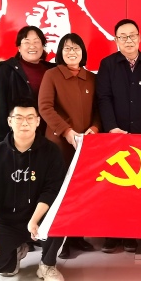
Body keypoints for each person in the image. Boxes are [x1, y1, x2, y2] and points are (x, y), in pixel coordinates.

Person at [0, 98, 66, 281]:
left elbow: (51, 191)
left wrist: (34, 220)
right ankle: (15, 253)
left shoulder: (51, 151)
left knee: (61, 214)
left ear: (38, 121)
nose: (25, 122)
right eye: (19, 118)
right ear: (10, 121)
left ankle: (47, 265)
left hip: (39, 219)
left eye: (30, 117)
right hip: (8, 222)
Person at [96, 18, 141, 253]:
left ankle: (131, 234)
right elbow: (103, 98)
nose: (128, 40)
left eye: (132, 35)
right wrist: (111, 127)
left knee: (137, 187)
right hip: (115, 135)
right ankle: (111, 235)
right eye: (122, 37)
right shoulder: (107, 65)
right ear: (116, 40)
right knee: (113, 186)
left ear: (140, 37)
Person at [38, 33, 101, 258]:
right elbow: (45, 107)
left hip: (85, 145)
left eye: (76, 48)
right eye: (66, 48)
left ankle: (76, 236)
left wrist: (94, 129)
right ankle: (58, 242)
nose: (71, 52)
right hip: (59, 144)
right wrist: (66, 131)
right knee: (58, 192)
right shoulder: (52, 75)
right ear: (60, 53)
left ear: (83, 52)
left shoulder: (91, 78)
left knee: (79, 191)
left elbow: (98, 110)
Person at [0, 26, 55, 145]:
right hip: (16, 138)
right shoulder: (6, 69)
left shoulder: (53, 70)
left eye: (36, 42)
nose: (32, 46)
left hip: (48, 137)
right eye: (27, 42)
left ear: (43, 46)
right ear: (19, 48)